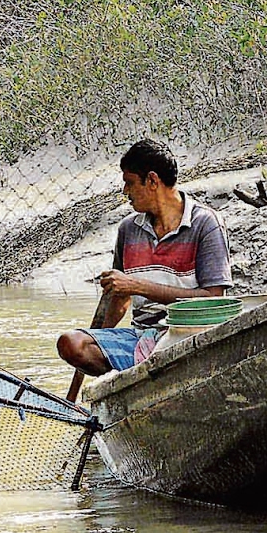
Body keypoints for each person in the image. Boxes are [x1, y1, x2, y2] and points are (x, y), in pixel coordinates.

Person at [57, 139, 232, 376]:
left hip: (189, 335)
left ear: (152, 181)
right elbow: (120, 298)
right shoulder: (128, 229)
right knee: (72, 344)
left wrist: (138, 286)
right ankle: (130, 379)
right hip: (142, 336)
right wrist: (101, 339)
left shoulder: (206, 223)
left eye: (129, 183)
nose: (125, 192)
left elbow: (213, 299)